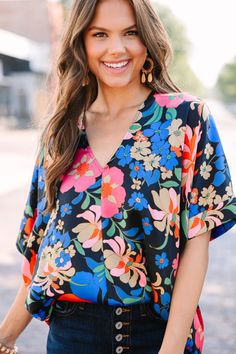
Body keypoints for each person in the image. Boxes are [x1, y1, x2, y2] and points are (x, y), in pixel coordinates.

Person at [0, 0, 235, 353]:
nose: (116, 48)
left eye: (130, 33)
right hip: (68, 338)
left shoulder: (185, 119)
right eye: (100, 34)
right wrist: (4, 338)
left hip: (151, 335)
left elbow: (195, 247)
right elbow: (41, 258)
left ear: (147, 40)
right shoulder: (62, 130)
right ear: (82, 43)